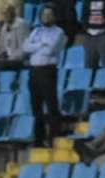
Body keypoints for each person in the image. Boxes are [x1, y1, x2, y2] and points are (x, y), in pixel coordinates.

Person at [23, 6, 65, 148]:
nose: (46, 17)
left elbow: (51, 49)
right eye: (44, 14)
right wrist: (41, 45)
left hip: (48, 70)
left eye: (49, 14)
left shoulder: (59, 32)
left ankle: (53, 136)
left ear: (54, 17)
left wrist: (35, 46)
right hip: (34, 71)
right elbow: (25, 47)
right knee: (36, 107)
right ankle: (39, 139)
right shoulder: (36, 31)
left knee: (51, 104)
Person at [0, 3, 30, 71]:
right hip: (8, 58)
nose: (5, 16)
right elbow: (2, 47)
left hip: (20, 59)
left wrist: (11, 57)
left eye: (7, 13)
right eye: (3, 14)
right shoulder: (4, 27)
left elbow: (24, 48)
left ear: (13, 13)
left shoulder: (21, 24)